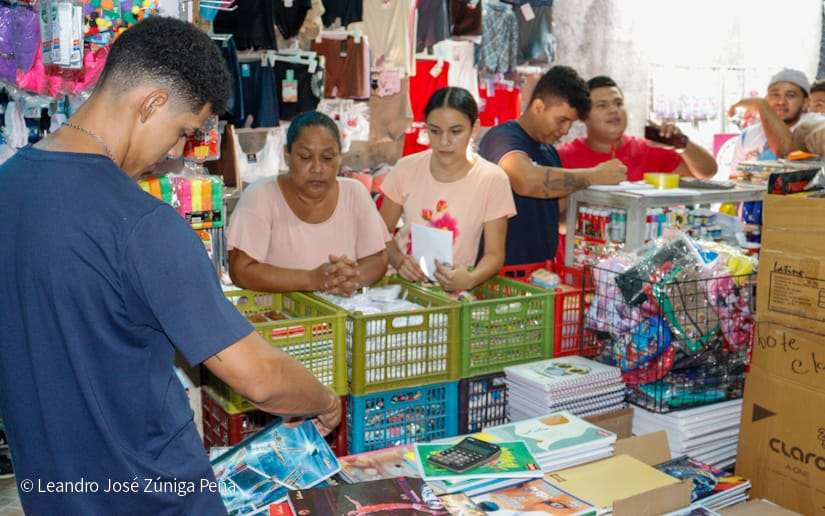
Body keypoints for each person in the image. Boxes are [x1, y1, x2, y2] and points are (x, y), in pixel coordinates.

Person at [0, 17, 341, 515]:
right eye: (183, 131)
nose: (176, 151)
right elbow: (260, 376)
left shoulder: (8, 185)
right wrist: (324, 399)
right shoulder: (141, 224)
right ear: (152, 103)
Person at [477, 65, 627, 266]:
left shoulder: (549, 153)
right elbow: (527, 181)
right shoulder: (502, 138)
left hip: (541, 276)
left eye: (571, 123)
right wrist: (595, 175)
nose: (565, 130)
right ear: (538, 107)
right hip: (501, 274)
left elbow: (557, 218)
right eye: (562, 120)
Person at [227, 111, 389, 297]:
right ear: (287, 155)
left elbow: (378, 259)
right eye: (305, 157)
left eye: (327, 158)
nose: (317, 169)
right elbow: (241, 271)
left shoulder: (355, 193)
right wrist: (312, 279)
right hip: (278, 320)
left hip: (340, 319)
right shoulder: (261, 196)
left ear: (340, 157)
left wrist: (351, 278)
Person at [379, 86, 516, 291]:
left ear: (475, 128)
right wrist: (399, 260)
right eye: (434, 131)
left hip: (453, 295)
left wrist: (470, 279)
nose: (444, 142)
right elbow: (380, 233)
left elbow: (494, 255)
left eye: (456, 131)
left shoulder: (493, 180)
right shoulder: (406, 168)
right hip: (399, 289)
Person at [557, 75, 717, 180]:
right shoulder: (562, 157)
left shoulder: (649, 150)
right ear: (583, 117)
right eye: (602, 105)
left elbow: (707, 173)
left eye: (618, 103)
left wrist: (682, 144)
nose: (614, 110)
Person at [727, 68, 810, 171]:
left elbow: (787, 153)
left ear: (805, 102)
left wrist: (760, 104)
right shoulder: (748, 135)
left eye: (790, 95)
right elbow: (734, 178)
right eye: (775, 95)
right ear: (767, 98)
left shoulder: (815, 128)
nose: (781, 102)